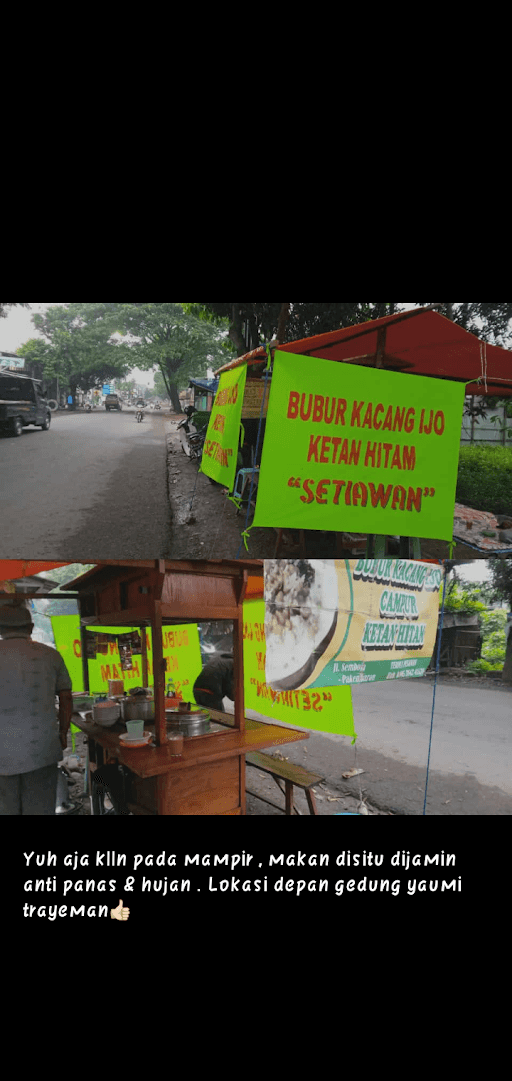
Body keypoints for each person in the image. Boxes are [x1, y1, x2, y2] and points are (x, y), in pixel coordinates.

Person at [0, 605, 73, 815]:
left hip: (2, 754)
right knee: (39, 809)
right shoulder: (50, 655)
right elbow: (66, 697)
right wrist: (62, 732)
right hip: (41, 748)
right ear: (31, 627)